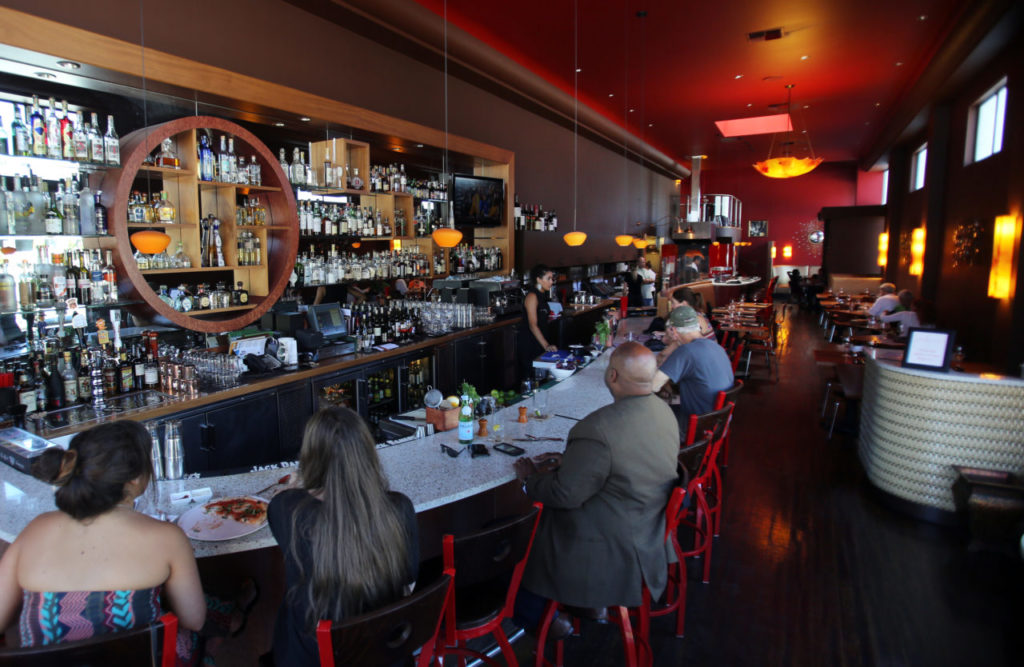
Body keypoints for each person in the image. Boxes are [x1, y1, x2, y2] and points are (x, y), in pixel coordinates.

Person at [0, 421, 206, 664]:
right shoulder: (168, 537)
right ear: (135, 479)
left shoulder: (35, 529)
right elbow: (194, 620)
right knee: (201, 634)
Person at [513, 342, 679, 621]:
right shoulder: (664, 411)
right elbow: (626, 458)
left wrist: (530, 479)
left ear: (612, 375)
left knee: (526, 532)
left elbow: (565, 494)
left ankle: (540, 619)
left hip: (610, 546)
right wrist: (574, 459)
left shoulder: (596, 428)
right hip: (649, 529)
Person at [268, 406, 418, 667]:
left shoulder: (289, 510)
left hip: (312, 659)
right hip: (387, 657)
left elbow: (285, 500)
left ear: (310, 457)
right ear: (368, 453)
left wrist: (300, 485)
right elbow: (409, 584)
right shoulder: (400, 508)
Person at [653, 305, 734, 427]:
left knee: (646, 420)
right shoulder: (716, 347)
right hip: (719, 422)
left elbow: (653, 386)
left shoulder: (686, 351)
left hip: (697, 425)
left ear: (673, 331)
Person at [520, 264, 557, 379]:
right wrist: (546, 346)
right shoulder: (532, 296)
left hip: (540, 341)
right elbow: (532, 325)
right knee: (532, 376)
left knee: (542, 376)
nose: (551, 282)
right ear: (539, 280)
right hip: (531, 343)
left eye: (552, 278)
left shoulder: (541, 295)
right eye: (548, 278)